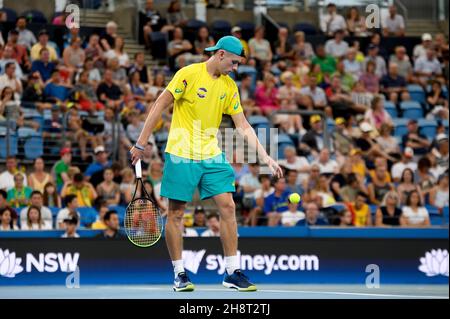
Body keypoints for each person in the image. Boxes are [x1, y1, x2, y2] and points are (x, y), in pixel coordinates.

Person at [130, 35, 282, 292]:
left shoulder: (229, 87)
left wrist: (265, 156)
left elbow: (242, 124)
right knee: (177, 213)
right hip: (181, 153)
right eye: (233, 63)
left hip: (211, 154)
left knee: (228, 206)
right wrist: (141, 143)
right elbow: (159, 105)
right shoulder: (188, 74)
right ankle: (180, 273)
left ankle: (232, 271)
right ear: (220, 54)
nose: (235, 68)